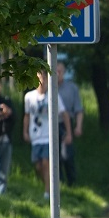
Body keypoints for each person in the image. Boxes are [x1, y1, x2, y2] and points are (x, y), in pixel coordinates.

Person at [24, 68, 72, 199]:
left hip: (49, 136)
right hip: (35, 136)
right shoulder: (29, 97)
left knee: (47, 162)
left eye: (44, 77)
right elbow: (27, 115)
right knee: (38, 166)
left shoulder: (53, 95)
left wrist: (69, 133)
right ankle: (49, 185)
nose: (42, 80)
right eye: (39, 77)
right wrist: (25, 132)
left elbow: (64, 114)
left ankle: (47, 193)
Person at [56, 61, 84, 186]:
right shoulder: (47, 87)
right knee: (54, 157)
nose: (57, 74)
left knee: (67, 155)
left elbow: (78, 109)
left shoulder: (72, 88)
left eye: (60, 71)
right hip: (49, 125)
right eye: (55, 71)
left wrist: (78, 126)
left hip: (66, 125)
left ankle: (72, 183)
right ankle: (58, 184)